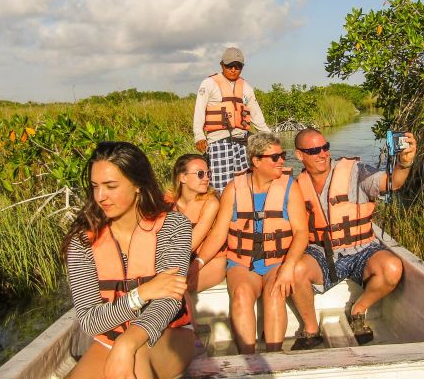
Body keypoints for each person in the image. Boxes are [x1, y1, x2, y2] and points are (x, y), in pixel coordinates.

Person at [62, 142, 195, 379]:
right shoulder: (81, 242)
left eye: (111, 186)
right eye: (95, 187)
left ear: (137, 186)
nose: (101, 196)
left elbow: (168, 302)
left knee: (134, 360)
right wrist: (141, 294)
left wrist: (127, 344)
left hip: (168, 334)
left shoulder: (174, 226)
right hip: (108, 339)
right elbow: (90, 322)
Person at [289, 128, 417, 350]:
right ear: (300, 155)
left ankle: (357, 310)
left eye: (325, 147)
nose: (322, 154)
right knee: (295, 270)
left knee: (392, 268)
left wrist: (403, 164)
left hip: (362, 248)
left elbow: (391, 183)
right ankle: (310, 329)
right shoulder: (295, 185)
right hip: (322, 251)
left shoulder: (356, 171)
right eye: (314, 150)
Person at [195, 132, 309, 354]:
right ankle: (249, 361)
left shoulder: (289, 186)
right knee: (241, 294)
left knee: (275, 293)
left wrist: (288, 266)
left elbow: (302, 232)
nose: (281, 161)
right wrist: (198, 262)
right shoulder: (234, 188)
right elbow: (219, 233)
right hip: (241, 262)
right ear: (256, 161)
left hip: (277, 260)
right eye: (274, 157)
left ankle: (274, 358)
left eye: (282, 155)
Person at [193, 46, 271, 193]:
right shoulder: (209, 83)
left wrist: (270, 138)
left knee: (244, 186)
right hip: (218, 142)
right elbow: (199, 110)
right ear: (222, 65)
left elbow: (257, 116)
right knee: (220, 187)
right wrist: (199, 135)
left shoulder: (246, 88)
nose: (233, 69)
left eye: (238, 66)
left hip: (242, 143)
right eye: (230, 66)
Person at [168, 153, 226, 292]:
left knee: (177, 290)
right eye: (200, 174)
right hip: (178, 259)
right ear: (183, 177)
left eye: (208, 173)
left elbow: (191, 243)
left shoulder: (211, 203)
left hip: (209, 261)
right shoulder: (168, 203)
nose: (206, 178)